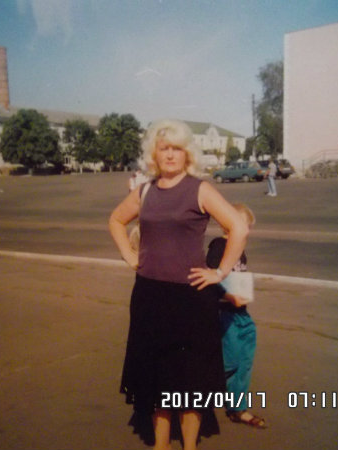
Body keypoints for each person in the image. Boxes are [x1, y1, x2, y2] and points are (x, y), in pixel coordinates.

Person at [109, 119, 248, 450]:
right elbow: (115, 220)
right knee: (158, 377)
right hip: (149, 296)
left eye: (177, 149)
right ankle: (161, 446)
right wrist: (129, 255)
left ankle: (189, 446)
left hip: (190, 300)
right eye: (164, 148)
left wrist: (219, 272)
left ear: (187, 154)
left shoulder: (199, 190)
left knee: (189, 380)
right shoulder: (144, 191)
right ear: (154, 154)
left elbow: (239, 227)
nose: (170, 155)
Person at [206, 204, 266, 429]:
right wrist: (228, 296)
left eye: (249, 227)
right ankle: (197, 399)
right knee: (228, 362)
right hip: (223, 313)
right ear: (227, 224)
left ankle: (237, 408)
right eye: (243, 226)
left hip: (240, 313)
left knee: (244, 360)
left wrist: (243, 293)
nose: (247, 231)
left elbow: (238, 278)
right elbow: (210, 278)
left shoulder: (240, 249)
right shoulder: (218, 246)